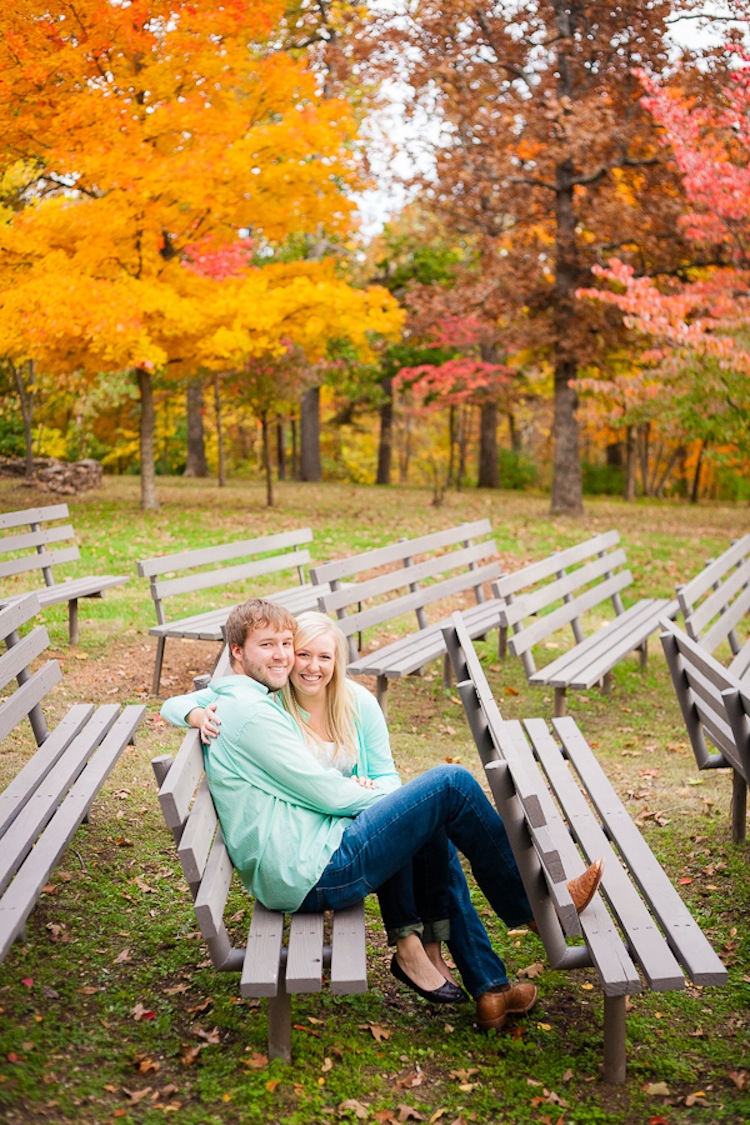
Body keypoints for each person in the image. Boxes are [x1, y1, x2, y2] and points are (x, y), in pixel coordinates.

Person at [161, 599, 604, 1032]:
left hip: (311, 851)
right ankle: (535, 906)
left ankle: (490, 986)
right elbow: (325, 793)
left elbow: (192, 699)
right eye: (275, 648)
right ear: (237, 652)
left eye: (287, 645)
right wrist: (374, 797)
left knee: (433, 818)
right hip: (310, 869)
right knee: (450, 785)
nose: (289, 659)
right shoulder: (258, 712)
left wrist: (194, 709)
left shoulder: (246, 697)